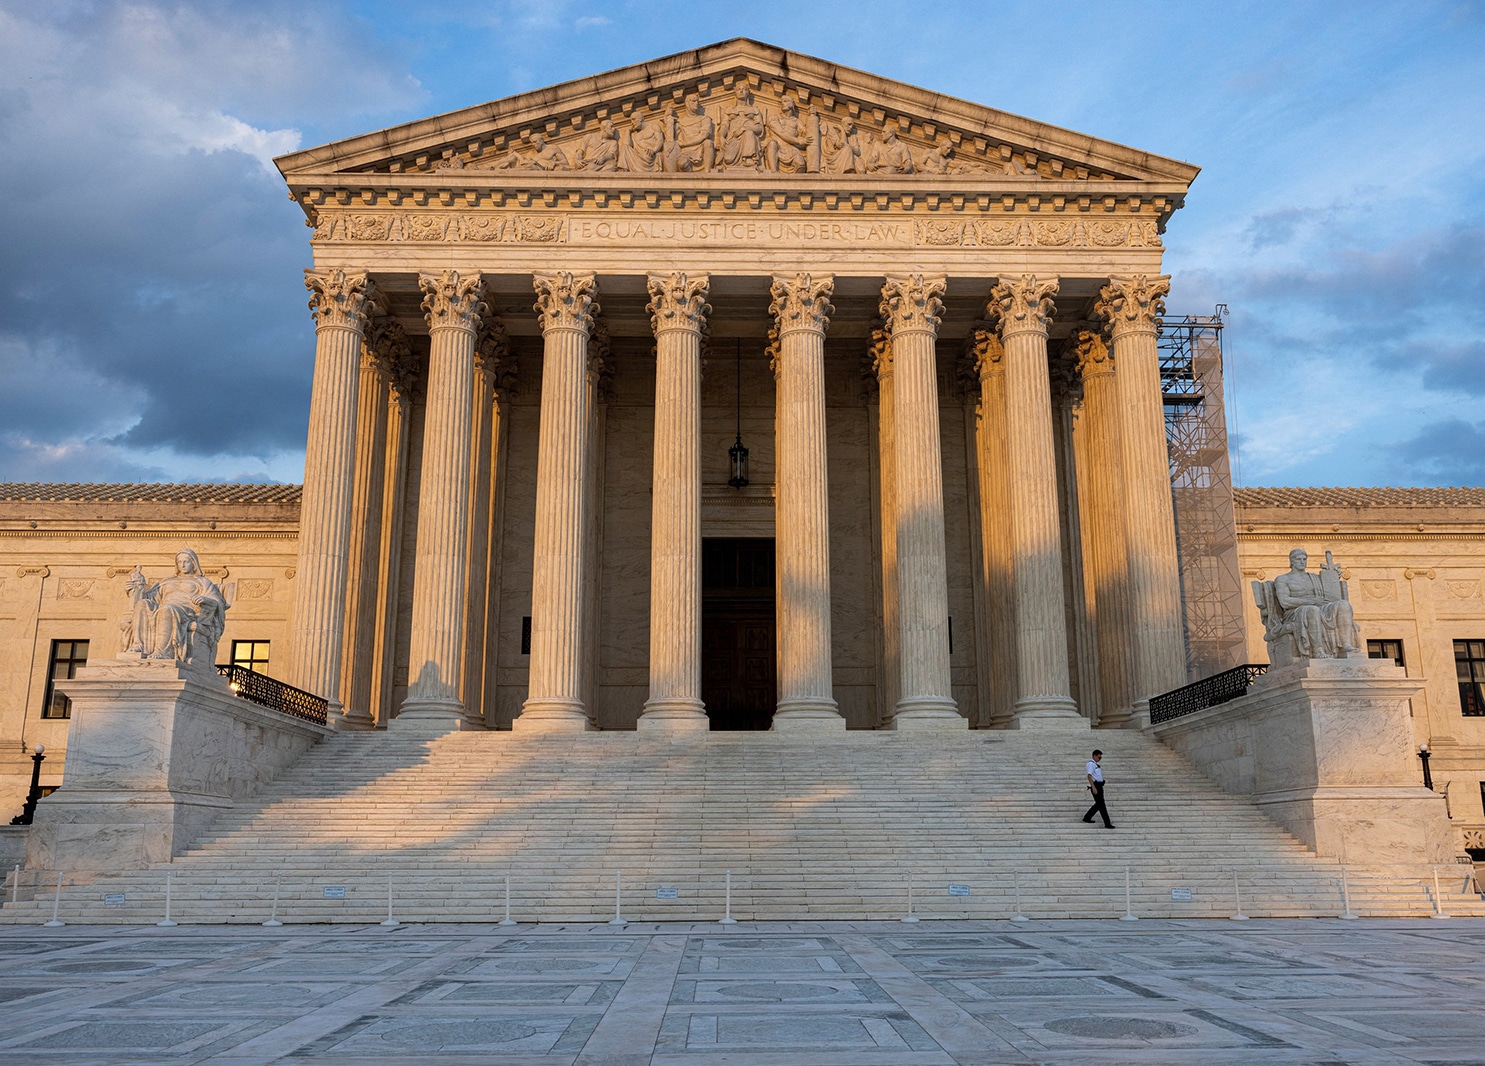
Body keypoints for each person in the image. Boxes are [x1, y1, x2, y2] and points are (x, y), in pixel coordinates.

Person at [1082, 749, 1114, 828]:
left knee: (1099, 804)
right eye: (1099, 757)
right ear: (1094, 756)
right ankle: (1107, 823)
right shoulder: (1091, 764)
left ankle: (1087, 817)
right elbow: (1089, 776)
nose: (1100, 759)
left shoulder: (1095, 764)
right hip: (1096, 786)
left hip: (1099, 785)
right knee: (1101, 805)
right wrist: (1093, 787)